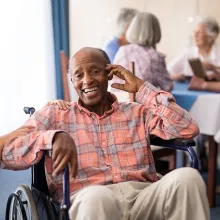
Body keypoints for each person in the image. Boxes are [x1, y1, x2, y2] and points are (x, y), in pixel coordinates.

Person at [2, 47, 209, 220]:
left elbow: (188, 128)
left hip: (143, 193)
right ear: (72, 80)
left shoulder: (136, 112)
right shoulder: (56, 114)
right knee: (97, 197)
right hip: (87, 197)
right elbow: (8, 152)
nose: (87, 81)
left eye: (94, 71)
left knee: (188, 178)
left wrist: (141, 88)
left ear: (109, 73)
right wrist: (52, 137)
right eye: (79, 75)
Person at [111, 12, 173, 102]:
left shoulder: (122, 50)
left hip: (118, 104)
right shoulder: (155, 56)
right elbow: (168, 86)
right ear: (156, 31)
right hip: (143, 109)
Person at [168, 17, 220, 81]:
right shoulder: (187, 53)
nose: (195, 35)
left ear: (212, 36)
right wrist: (174, 76)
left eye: (199, 32)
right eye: (195, 32)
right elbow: (167, 71)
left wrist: (213, 68)